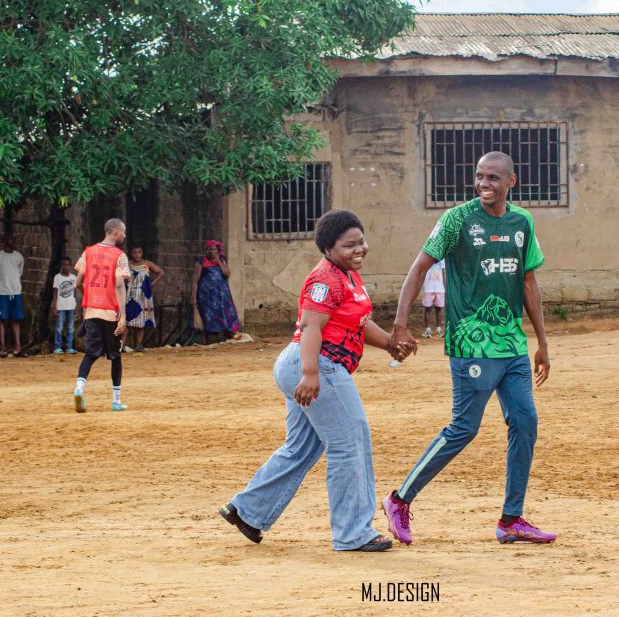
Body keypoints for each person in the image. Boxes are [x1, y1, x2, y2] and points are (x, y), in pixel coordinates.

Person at [383, 151, 557, 546]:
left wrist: (542, 342)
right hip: (471, 342)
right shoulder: (457, 220)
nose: (484, 184)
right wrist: (400, 323)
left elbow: (528, 282)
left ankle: (511, 519)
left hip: (512, 343)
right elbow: (419, 268)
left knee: (525, 422)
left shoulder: (522, 222)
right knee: (464, 428)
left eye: (493, 178)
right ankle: (399, 499)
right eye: (479, 176)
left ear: (511, 181)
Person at [219, 210, 408, 552]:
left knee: (302, 447)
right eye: (349, 245)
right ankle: (353, 533)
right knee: (350, 441)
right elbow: (310, 327)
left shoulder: (348, 276)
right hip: (318, 364)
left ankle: (247, 511)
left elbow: (359, 324)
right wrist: (310, 374)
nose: (359, 249)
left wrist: (390, 344)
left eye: (361, 241)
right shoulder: (326, 280)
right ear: (328, 249)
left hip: (309, 364)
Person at [72, 219, 130, 413]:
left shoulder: (88, 252)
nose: (124, 235)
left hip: (92, 310)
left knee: (90, 354)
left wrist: (88, 299)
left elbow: (78, 282)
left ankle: (79, 388)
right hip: (111, 311)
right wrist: (123, 316)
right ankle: (116, 400)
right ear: (115, 232)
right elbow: (119, 285)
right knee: (115, 356)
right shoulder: (119, 256)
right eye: (123, 232)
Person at [191, 240, 241, 344]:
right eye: (210, 249)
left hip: (221, 295)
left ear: (218, 251)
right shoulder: (201, 262)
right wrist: (194, 298)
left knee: (225, 314)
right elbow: (195, 281)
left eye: (214, 249)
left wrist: (218, 260)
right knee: (207, 316)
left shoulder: (221, 260)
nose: (212, 252)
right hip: (207, 296)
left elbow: (226, 273)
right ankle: (206, 341)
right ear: (206, 250)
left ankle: (228, 335)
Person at [0, 234, 26, 357]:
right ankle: (2, 348)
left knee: (16, 320)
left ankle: (18, 348)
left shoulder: (18, 257)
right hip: (3, 293)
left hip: (16, 292)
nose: (12, 243)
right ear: (4, 242)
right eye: (10, 241)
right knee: (2, 319)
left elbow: (19, 272)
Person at [125, 245, 164, 352]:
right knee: (127, 319)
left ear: (142, 253)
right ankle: (122, 344)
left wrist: (152, 284)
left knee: (141, 319)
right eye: (134, 252)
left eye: (139, 252)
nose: (137, 255)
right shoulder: (127, 264)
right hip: (130, 295)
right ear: (131, 253)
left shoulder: (147, 264)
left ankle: (139, 344)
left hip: (143, 296)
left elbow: (161, 272)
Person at [51, 257, 78, 355]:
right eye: (64, 265)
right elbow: (55, 292)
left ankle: (69, 347)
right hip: (61, 306)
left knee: (70, 327)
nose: (65, 267)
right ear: (61, 266)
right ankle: (57, 347)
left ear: (70, 266)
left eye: (67, 265)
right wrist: (55, 305)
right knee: (59, 327)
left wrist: (76, 307)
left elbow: (75, 293)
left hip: (71, 306)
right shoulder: (57, 277)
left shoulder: (74, 278)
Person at [421, 259, 446, 338]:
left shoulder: (442, 259)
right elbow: (422, 271)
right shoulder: (426, 257)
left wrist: (445, 287)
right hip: (428, 288)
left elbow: (443, 273)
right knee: (428, 309)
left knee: (439, 308)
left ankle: (439, 330)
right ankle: (428, 330)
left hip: (440, 288)